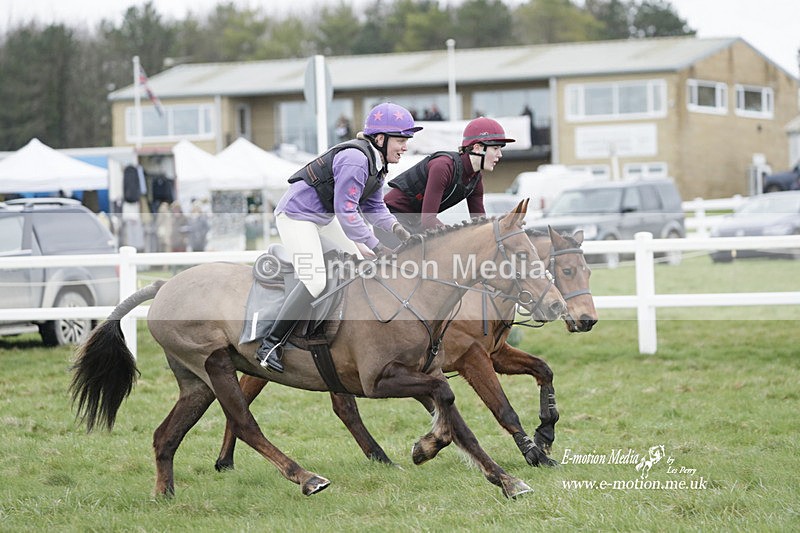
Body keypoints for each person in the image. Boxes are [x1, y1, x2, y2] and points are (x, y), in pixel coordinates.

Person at [255, 102, 419, 372]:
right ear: (381, 138)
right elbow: (347, 212)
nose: (405, 146)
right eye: (401, 139)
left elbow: (375, 208)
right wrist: (377, 246)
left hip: (322, 218)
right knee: (317, 280)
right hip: (297, 217)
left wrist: (399, 232)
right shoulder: (356, 160)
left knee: (358, 264)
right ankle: (270, 343)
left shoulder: (377, 164)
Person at [379, 116, 515, 243]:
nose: (500, 155)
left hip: (415, 222)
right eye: (496, 148)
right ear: (478, 148)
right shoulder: (443, 167)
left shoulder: (476, 179)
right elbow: (428, 220)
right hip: (390, 219)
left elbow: (480, 224)